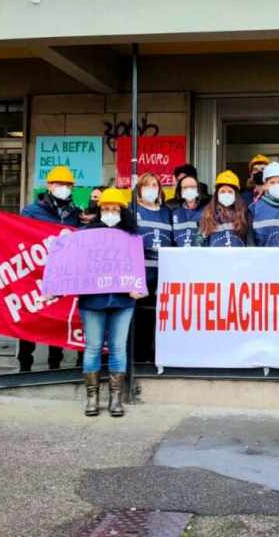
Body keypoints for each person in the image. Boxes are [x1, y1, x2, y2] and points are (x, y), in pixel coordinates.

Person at [79, 187, 145, 417]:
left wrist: (139, 286)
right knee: (93, 347)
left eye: (114, 209)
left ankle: (115, 398)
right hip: (93, 300)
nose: (109, 213)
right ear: (99, 211)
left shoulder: (132, 238)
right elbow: (76, 266)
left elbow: (138, 266)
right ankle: (92, 398)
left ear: (122, 211)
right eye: (105, 209)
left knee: (118, 347)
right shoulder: (86, 235)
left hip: (123, 300)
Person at [19, 165, 82, 372]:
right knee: (31, 319)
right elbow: (19, 238)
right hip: (36, 274)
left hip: (63, 275)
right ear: (49, 186)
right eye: (59, 184)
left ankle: (55, 365)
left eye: (67, 185)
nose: (64, 188)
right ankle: (25, 365)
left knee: (58, 319)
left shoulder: (75, 213)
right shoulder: (32, 211)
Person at [133, 172, 174, 364]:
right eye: (146, 185)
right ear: (139, 190)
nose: (151, 189)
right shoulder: (132, 210)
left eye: (154, 185)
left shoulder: (167, 213)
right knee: (141, 319)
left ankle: (156, 358)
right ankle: (140, 361)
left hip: (163, 277)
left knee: (160, 319)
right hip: (140, 276)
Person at [197, 171, 250, 247]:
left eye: (230, 192)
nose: (226, 194)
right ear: (217, 194)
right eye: (222, 191)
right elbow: (199, 241)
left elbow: (250, 242)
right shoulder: (208, 214)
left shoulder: (244, 214)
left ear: (236, 195)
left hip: (239, 254)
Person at [171, 173, 206, 247]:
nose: (189, 190)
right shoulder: (174, 213)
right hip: (177, 253)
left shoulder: (206, 212)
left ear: (198, 190)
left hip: (200, 253)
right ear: (180, 191)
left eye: (192, 187)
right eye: (185, 187)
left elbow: (205, 237)